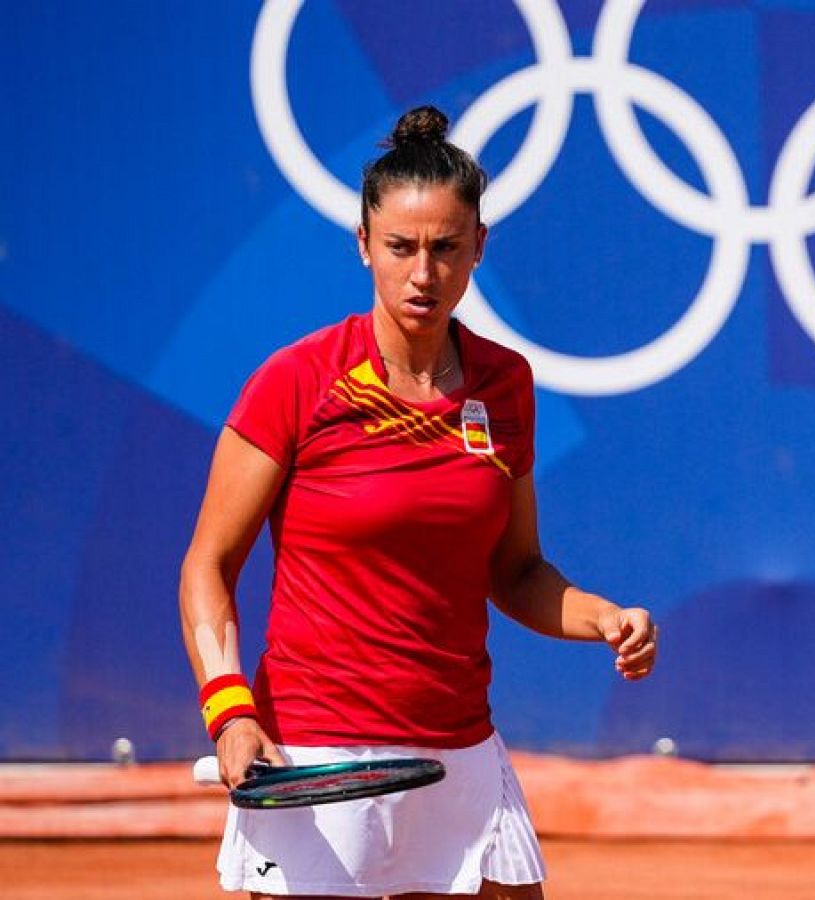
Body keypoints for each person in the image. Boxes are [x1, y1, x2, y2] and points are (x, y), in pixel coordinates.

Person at [178, 105, 658, 899]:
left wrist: (605, 618)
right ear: (364, 246)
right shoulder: (296, 381)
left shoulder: (506, 384)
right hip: (315, 753)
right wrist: (230, 710)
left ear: (478, 248)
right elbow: (208, 564)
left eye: (445, 248)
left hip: (459, 750)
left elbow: (518, 571)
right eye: (400, 248)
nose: (423, 274)